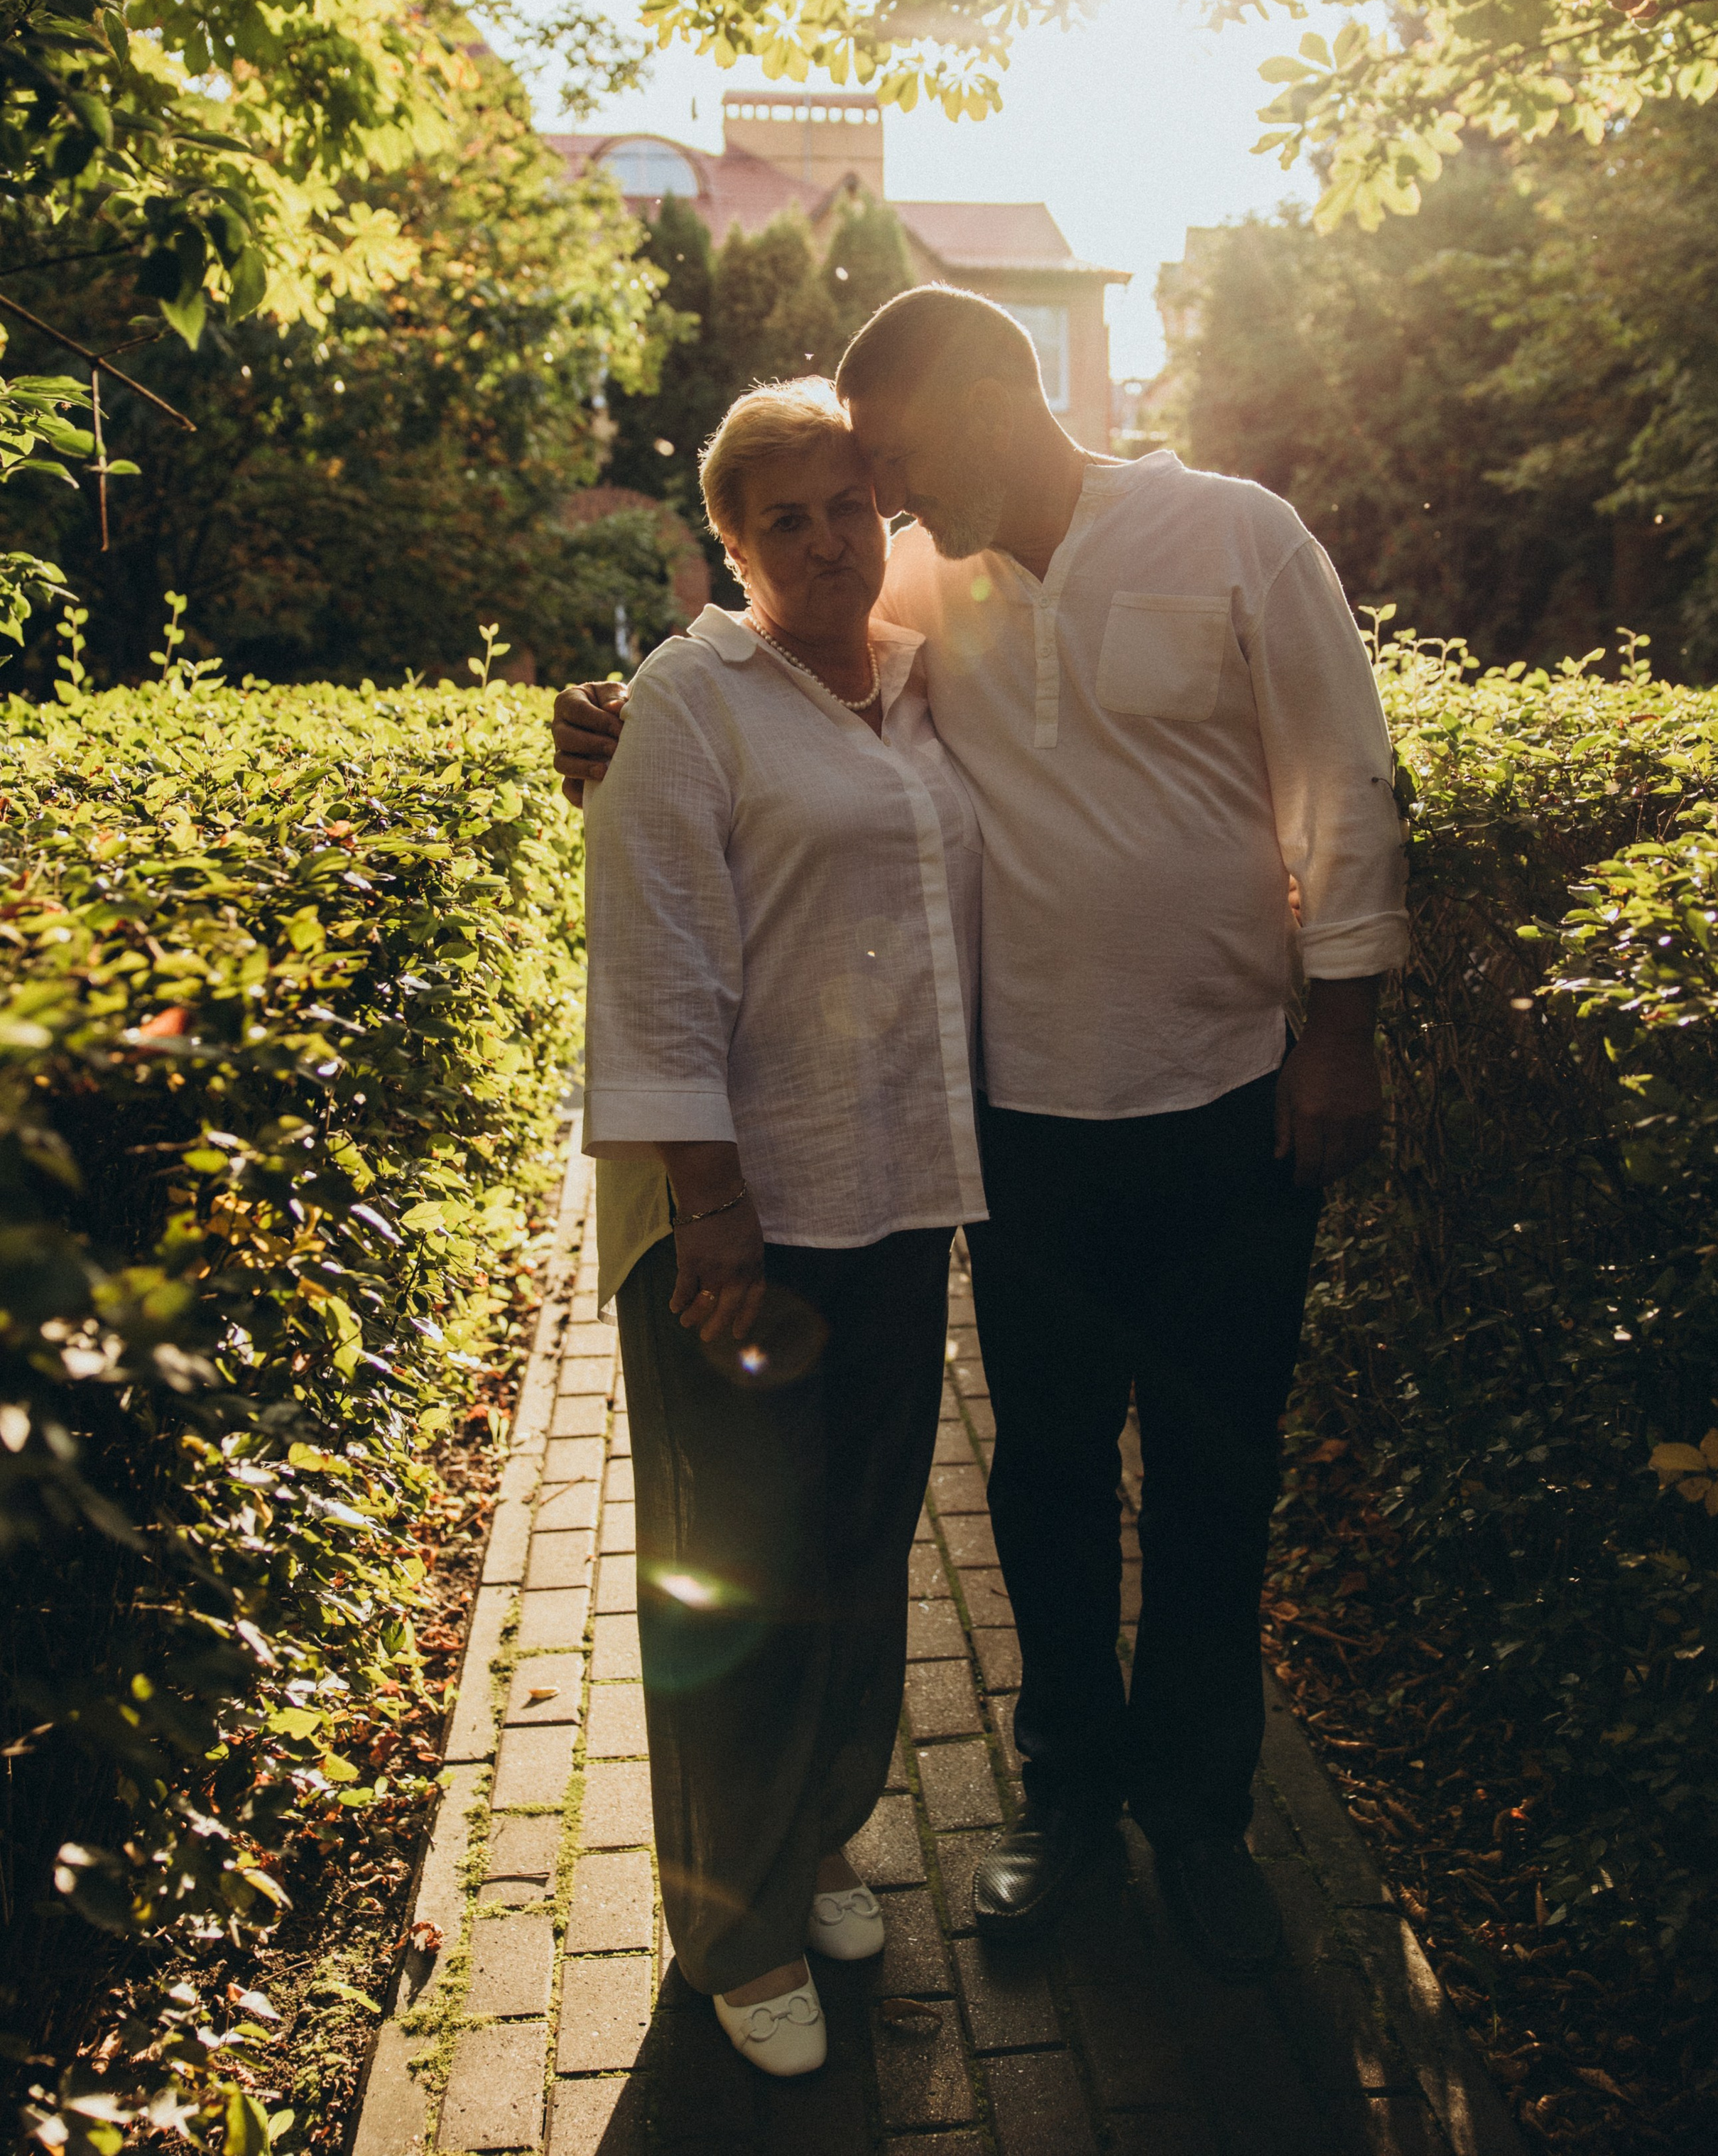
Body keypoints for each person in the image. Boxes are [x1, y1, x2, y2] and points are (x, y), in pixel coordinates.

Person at [559, 286, 1407, 1978]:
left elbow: (1343, 778)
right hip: (1023, 1129)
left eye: (891, 464)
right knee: (1046, 1475)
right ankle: (1065, 1791)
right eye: (859, 485)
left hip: (1233, 1107)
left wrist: (1338, 1040)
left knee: (1217, 1469)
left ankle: (1200, 1805)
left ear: (989, 406)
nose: (876, 504)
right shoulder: (917, 577)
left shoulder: (1233, 535)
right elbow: (771, 674)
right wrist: (619, 731)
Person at [581, 375, 985, 2077]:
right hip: (741, 1219)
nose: (826, 543)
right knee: (733, 1575)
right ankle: (725, 1925)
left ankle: (812, 1838)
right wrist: (711, 1206)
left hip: (896, 1194)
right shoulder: (687, 703)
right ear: (730, 548)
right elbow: (655, 961)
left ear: (885, 516)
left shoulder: (921, 679)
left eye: (847, 507)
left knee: (854, 1549)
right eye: (784, 522)